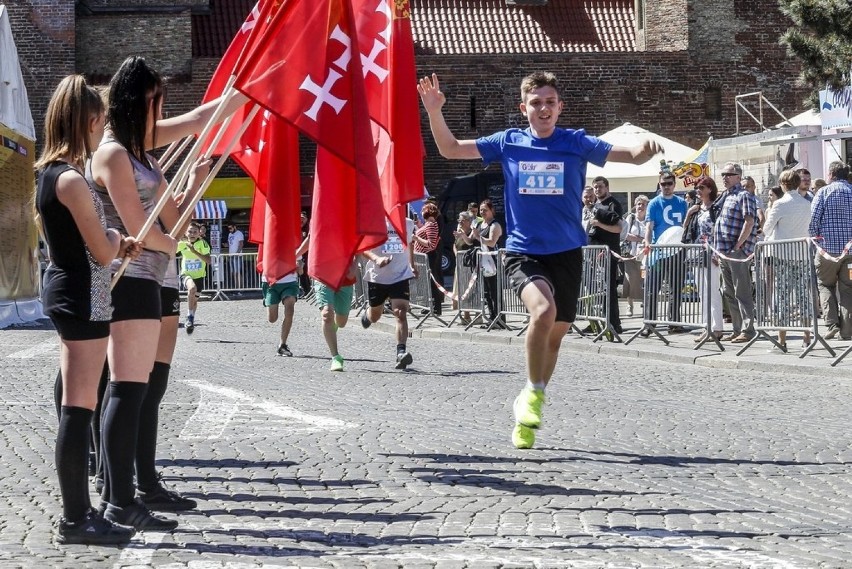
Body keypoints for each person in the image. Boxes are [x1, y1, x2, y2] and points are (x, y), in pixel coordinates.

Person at [418, 71, 662, 449]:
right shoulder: (508, 142)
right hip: (523, 250)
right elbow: (450, 149)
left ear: (559, 107)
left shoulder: (576, 142)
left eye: (550, 102)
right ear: (524, 108)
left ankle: (530, 405)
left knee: (557, 335)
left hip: (566, 251)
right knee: (542, 311)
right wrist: (434, 111)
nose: (543, 108)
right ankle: (532, 392)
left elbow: (626, 155)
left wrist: (644, 149)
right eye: (536, 103)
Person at [88, 55, 243, 530]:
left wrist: (249, 91)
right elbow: (140, 227)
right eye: (157, 99)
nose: (163, 108)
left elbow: (199, 123)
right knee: (123, 390)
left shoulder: (142, 152)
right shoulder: (114, 152)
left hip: (152, 277)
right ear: (139, 100)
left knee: (142, 390)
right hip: (126, 277)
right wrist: (174, 243)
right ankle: (117, 496)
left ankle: (134, 489)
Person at [36, 75, 141, 545]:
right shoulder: (72, 179)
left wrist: (113, 247)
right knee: (78, 409)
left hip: (72, 292)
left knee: (77, 407)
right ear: (90, 121)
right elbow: (100, 250)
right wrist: (120, 242)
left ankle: (78, 514)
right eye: (99, 122)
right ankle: (76, 518)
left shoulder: (50, 174)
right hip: (83, 295)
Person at [762, 169, 812, 348]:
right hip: (802, 254)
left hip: (782, 255)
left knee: (782, 296)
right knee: (803, 296)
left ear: (783, 185)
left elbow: (767, 228)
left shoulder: (780, 204)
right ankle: (807, 338)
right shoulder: (807, 203)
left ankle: (782, 340)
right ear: (798, 183)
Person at [360, 217, 418, 370]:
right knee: (375, 315)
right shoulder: (374, 221)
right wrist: (376, 258)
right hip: (377, 276)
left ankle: (401, 352)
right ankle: (368, 315)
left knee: (401, 313)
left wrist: (412, 265)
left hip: (400, 276)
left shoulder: (408, 223)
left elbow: (409, 244)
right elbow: (362, 246)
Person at [713, 162, 759, 343]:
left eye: (729, 174)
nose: (725, 177)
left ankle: (748, 330)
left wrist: (739, 245)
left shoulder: (744, 195)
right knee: (729, 292)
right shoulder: (726, 196)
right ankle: (737, 328)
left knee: (742, 291)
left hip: (736, 251)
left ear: (738, 177)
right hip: (725, 251)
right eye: (723, 174)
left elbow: (749, 221)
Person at [640, 171, 688, 336]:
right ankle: (649, 324)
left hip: (677, 251)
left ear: (674, 185)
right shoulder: (654, 203)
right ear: (659, 185)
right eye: (663, 184)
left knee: (676, 288)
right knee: (652, 289)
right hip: (658, 251)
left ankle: (674, 322)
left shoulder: (682, 203)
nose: (666, 187)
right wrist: (647, 241)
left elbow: (685, 225)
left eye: (669, 184)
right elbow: (649, 226)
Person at [808, 161, 852, 341]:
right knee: (848, 288)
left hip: (828, 250)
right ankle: (848, 331)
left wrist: (814, 238)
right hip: (850, 253)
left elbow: (814, 221)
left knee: (825, 284)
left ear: (832, 174)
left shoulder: (823, 192)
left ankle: (832, 323)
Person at [683, 176, 723, 343]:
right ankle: (707, 326)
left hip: (711, 251)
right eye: (697, 188)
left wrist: (717, 254)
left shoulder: (716, 208)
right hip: (697, 252)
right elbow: (686, 229)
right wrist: (689, 214)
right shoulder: (697, 209)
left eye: (701, 188)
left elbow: (720, 232)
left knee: (713, 290)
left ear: (709, 189)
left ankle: (717, 327)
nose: (698, 191)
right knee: (702, 291)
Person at [586, 176, 624, 334]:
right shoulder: (596, 204)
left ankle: (614, 324)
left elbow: (619, 228)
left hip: (607, 253)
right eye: (595, 187)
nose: (597, 190)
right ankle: (598, 321)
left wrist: (599, 224)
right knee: (596, 290)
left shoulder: (612, 204)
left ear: (607, 187)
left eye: (600, 187)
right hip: (594, 253)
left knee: (609, 290)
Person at [472, 199, 505, 328]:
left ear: (492, 211)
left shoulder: (495, 225)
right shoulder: (481, 224)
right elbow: (471, 241)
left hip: (494, 261)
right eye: (481, 210)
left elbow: (491, 242)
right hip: (484, 262)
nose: (482, 212)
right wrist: (462, 235)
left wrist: (477, 237)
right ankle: (491, 318)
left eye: (485, 210)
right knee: (487, 292)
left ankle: (500, 319)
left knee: (495, 291)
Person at [177, 221, 211, 334]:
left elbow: (208, 261)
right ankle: (189, 317)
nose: (192, 234)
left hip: (200, 277)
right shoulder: (182, 244)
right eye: (190, 232)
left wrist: (194, 251)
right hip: (186, 274)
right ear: (186, 233)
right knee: (191, 289)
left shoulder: (203, 244)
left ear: (199, 234)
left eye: (195, 232)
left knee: (194, 301)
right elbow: (170, 252)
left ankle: (191, 317)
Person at [411, 202, 442, 315]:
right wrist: (419, 225)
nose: (421, 212)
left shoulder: (432, 225)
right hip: (423, 257)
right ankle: (429, 305)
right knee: (426, 282)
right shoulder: (427, 224)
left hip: (428, 256)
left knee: (431, 282)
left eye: (423, 210)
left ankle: (436, 306)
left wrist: (416, 238)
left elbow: (431, 244)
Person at [261, 270, 299, 356]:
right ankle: (267, 299)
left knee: (289, 311)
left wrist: (300, 266)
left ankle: (282, 345)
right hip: (270, 282)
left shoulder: (295, 254)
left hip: (290, 281)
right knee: (272, 319)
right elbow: (259, 260)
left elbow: (299, 262)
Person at [622, 195, 648, 317]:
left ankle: (644, 304)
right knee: (630, 279)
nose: (640, 207)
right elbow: (625, 234)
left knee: (644, 280)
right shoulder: (630, 218)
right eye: (639, 204)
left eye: (643, 204)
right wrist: (641, 239)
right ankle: (629, 305)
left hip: (645, 257)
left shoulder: (649, 220)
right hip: (630, 255)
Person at [452, 211, 476, 322]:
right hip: (459, 263)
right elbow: (455, 244)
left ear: (468, 221)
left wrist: (463, 235)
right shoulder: (459, 230)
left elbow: (470, 243)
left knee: (469, 289)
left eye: (462, 220)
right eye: (459, 220)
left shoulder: (472, 232)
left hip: (469, 264)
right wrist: (456, 253)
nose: (460, 222)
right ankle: (464, 314)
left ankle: (469, 315)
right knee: (460, 289)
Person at [227, 223, 245, 292]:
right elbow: (230, 244)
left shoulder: (239, 233)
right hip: (231, 255)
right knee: (233, 272)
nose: (230, 230)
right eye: (229, 228)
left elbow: (241, 244)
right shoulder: (230, 234)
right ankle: (236, 287)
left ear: (235, 227)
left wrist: (237, 253)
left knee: (237, 272)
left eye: (231, 228)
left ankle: (240, 287)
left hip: (237, 255)